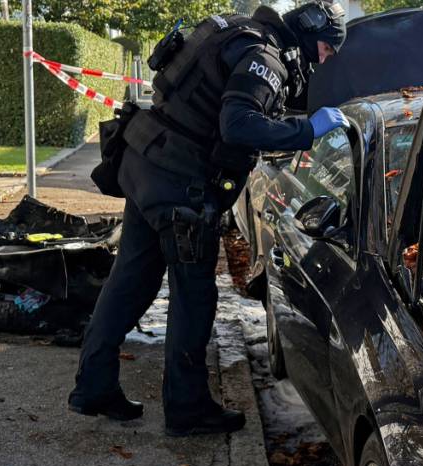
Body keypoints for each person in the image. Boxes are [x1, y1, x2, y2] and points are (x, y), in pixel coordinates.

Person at [68, 1, 348, 436]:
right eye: (327, 49)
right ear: (311, 35)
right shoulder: (265, 57)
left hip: (145, 162)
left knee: (129, 281)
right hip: (182, 186)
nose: (325, 60)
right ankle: (188, 409)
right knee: (194, 296)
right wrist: (308, 130)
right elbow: (238, 125)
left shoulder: (234, 29)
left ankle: (93, 386)